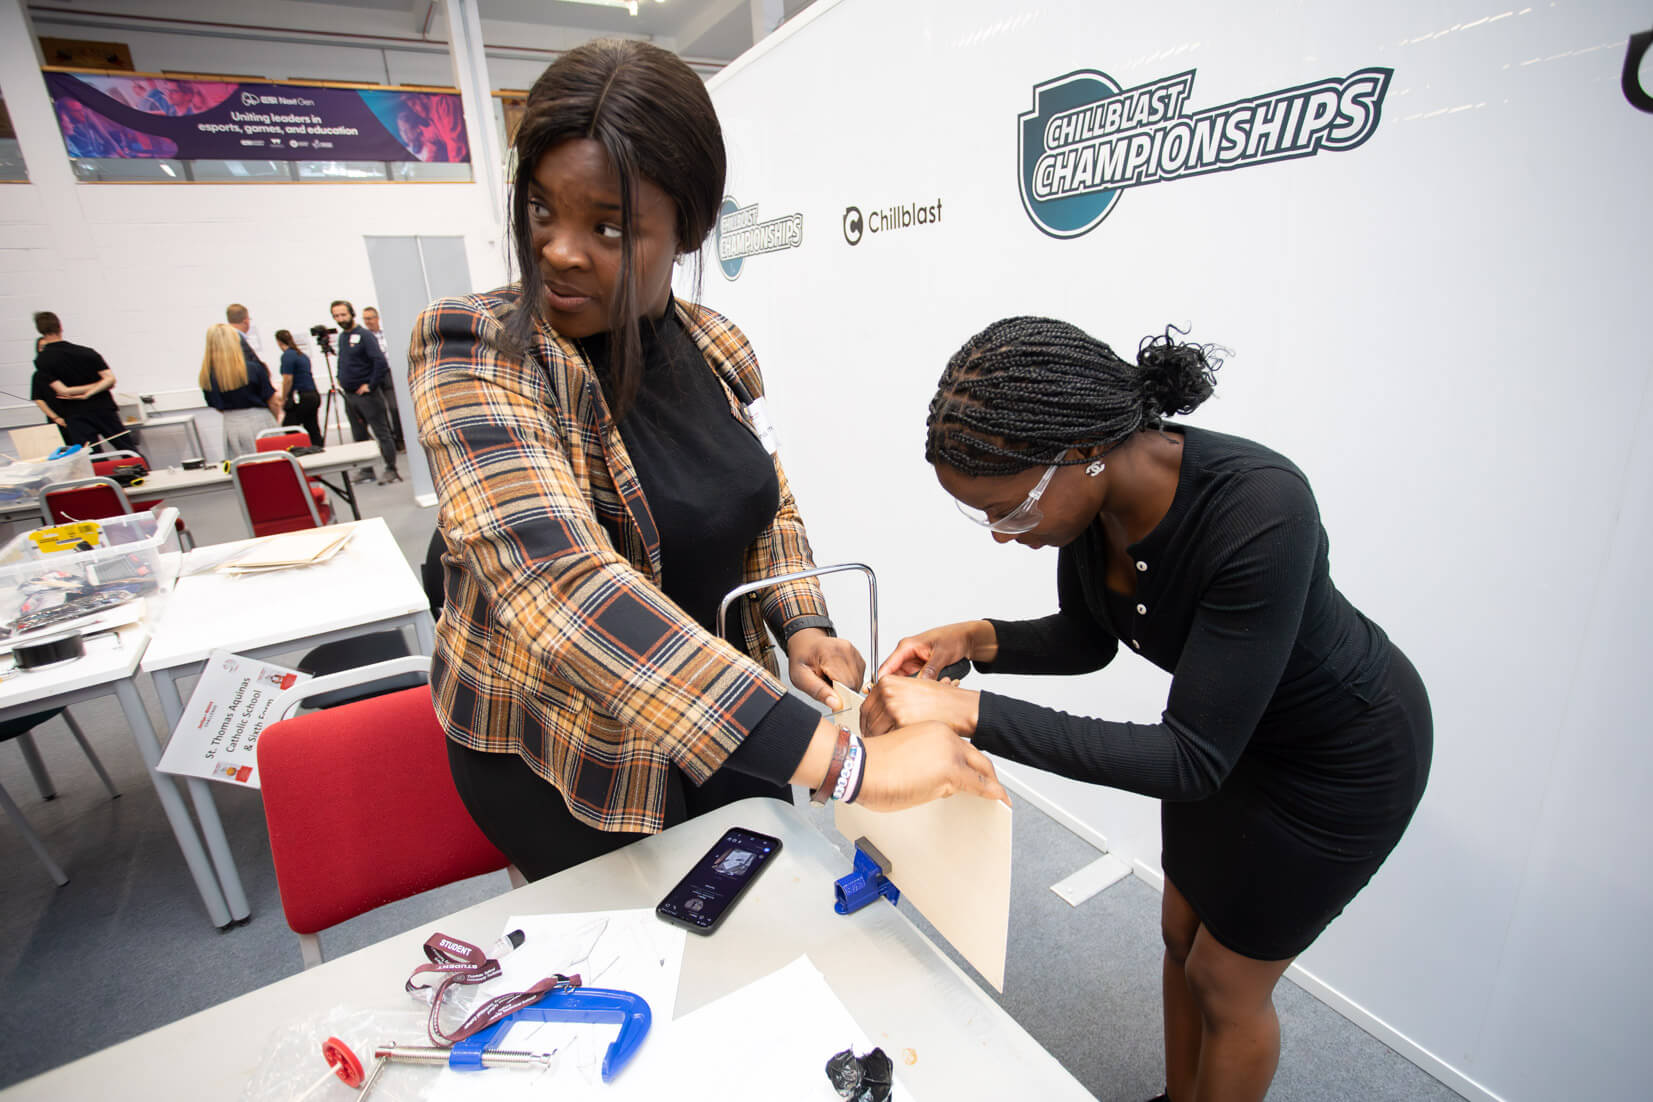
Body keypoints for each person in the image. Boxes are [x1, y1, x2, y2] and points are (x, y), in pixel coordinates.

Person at [407, 38, 1007, 883]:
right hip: (570, 750)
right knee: (639, 960)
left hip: (722, 712)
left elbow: (767, 502)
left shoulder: (719, 345)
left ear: (686, 226)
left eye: (609, 227)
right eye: (542, 212)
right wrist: (849, 765)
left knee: (744, 927)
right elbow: (556, 584)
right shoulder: (477, 346)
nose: (560, 250)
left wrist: (802, 623)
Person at [861, 317, 1433, 1102]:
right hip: (1224, 732)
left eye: (1006, 509)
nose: (999, 535)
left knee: (1226, 982)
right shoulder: (1089, 502)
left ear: (1079, 456)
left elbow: (1189, 760)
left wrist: (965, 712)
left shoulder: (1260, 506)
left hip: (1338, 758)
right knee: (1178, 936)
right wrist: (972, 638)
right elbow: (1088, 637)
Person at [32, 311, 132, 451]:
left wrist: (83, 393)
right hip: (103, 407)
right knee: (127, 448)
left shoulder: (42, 360)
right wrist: (92, 391)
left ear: (40, 331)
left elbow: (63, 390)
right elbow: (110, 379)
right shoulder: (87, 352)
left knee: (92, 457)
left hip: (75, 414)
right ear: (61, 327)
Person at [331, 298, 400, 485]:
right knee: (359, 434)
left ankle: (391, 469)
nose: (340, 318)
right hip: (350, 395)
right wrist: (340, 376)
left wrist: (370, 384)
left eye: (343, 314)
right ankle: (367, 470)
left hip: (368, 396)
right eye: (336, 315)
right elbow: (343, 361)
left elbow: (380, 362)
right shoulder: (343, 337)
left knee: (381, 432)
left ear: (351, 314)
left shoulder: (364, 336)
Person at [199, 322, 280, 458]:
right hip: (259, 421)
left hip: (232, 424)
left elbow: (216, 405)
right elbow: (273, 401)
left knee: (243, 469)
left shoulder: (206, 376)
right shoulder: (254, 368)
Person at [360, 306, 405, 451]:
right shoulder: (363, 337)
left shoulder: (388, 335)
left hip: (388, 373)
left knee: (394, 407)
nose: (367, 322)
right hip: (371, 375)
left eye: (370, 318)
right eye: (365, 319)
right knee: (379, 409)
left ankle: (400, 439)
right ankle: (389, 439)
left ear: (377, 318)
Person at [273, 328, 322, 446]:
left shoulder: (287, 356)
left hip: (301, 396)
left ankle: (298, 451)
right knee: (312, 426)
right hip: (313, 395)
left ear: (279, 342)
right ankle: (318, 449)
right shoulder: (302, 355)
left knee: (289, 427)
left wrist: (283, 397)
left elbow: (288, 379)